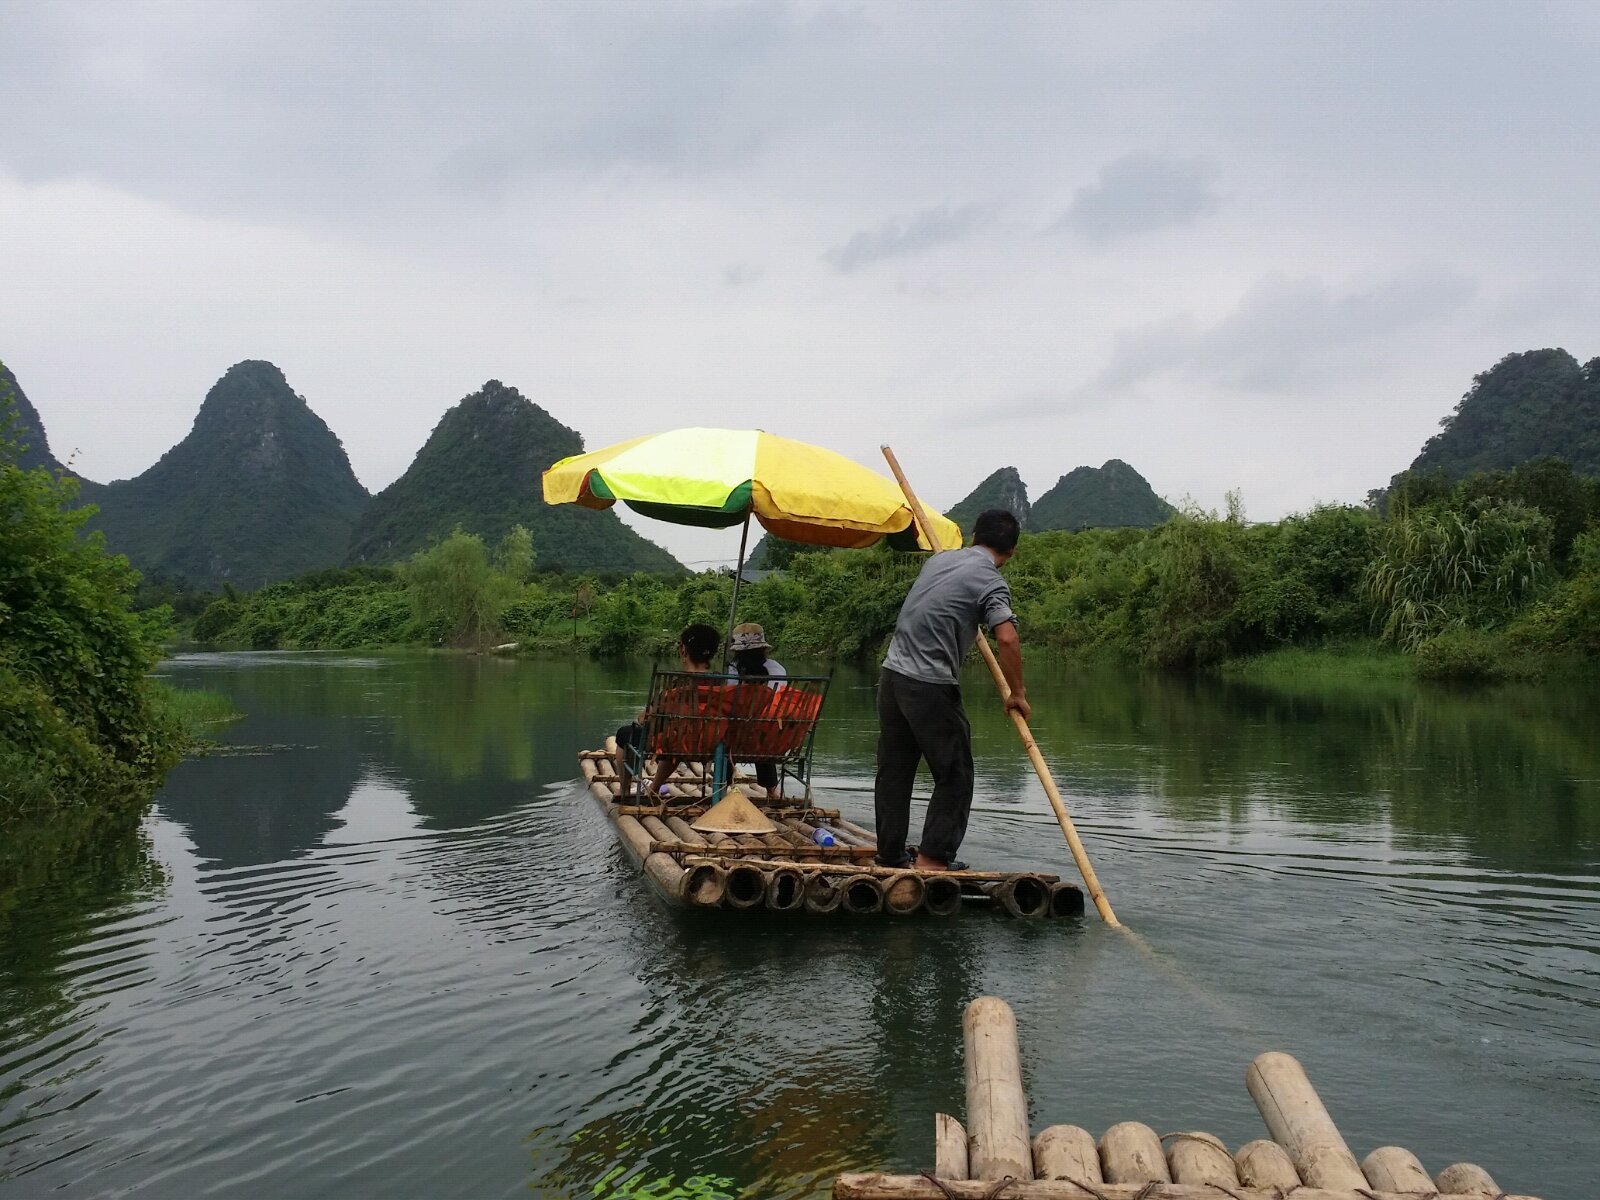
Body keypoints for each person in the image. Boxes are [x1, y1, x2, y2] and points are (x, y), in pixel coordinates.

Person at [873, 509, 1029, 872]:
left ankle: (890, 855)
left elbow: (943, 607)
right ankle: (933, 859)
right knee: (955, 774)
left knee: (894, 772)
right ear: (1013, 551)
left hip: (892, 677)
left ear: (974, 535)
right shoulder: (991, 581)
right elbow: (1006, 637)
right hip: (929, 685)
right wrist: (1017, 693)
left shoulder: (939, 562)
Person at [615, 623, 721, 800]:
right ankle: (655, 787)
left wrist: (642, 717)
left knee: (625, 734)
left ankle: (625, 790)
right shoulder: (724, 684)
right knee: (677, 736)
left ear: (684, 651)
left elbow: (649, 718)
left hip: (677, 743)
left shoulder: (676, 686)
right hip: (714, 743)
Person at [729, 622, 787, 800]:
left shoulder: (730, 671)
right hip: (770, 739)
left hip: (735, 737)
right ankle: (772, 789)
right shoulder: (778, 670)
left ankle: (722, 784)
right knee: (762, 730)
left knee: (730, 730)